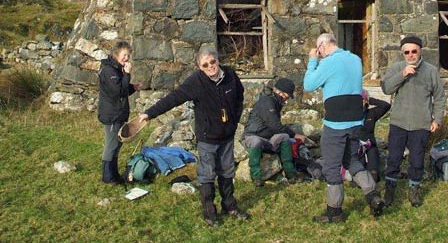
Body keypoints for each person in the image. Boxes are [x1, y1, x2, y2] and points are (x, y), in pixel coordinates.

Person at [138, 46, 249, 227]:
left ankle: (230, 206)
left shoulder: (230, 75)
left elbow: (239, 97)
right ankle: (209, 213)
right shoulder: (195, 82)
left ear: (218, 60)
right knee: (207, 174)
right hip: (207, 138)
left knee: (227, 172)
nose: (211, 67)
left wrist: (234, 120)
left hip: (227, 136)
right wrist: (149, 114)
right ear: (200, 67)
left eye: (213, 62)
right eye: (205, 65)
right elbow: (173, 98)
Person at [304, 33, 384, 223]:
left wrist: (312, 61)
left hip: (336, 123)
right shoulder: (355, 59)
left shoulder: (328, 63)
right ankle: (373, 195)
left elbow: (309, 84)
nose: (319, 53)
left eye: (319, 49)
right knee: (352, 159)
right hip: (356, 121)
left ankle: (334, 213)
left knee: (331, 168)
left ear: (323, 45)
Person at [381, 35, 445, 208]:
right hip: (398, 122)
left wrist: (437, 119)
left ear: (420, 51)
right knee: (393, 158)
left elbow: (439, 97)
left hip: (421, 124)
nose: (410, 55)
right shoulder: (396, 68)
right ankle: (390, 190)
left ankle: (414, 191)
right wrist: (402, 74)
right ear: (403, 54)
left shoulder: (431, 71)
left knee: (416, 161)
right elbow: (386, 88)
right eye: (406, 52)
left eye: (414, 51)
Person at [243, 78, 306, 187]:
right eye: (287, 95)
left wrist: (289, 135)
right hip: (252, 136)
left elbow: (276, 127)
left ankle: (290, 173)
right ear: (280, 92)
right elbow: (275, 125)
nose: (287, 99)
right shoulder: (266, 102)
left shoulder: (276, 102)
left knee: (284, 137)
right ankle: (256, 177)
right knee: (256, 141)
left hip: (268, 138)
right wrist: (295, 135)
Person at [98, 41, 140, 184]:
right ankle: (107, 177)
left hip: (118, 114)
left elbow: (122, 89)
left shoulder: (117, 69)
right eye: (124, 55)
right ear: (116, 54)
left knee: (117, 144)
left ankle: (114, 175)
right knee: (111, 144)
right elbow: (118, 92)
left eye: (128, 55)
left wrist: (132, 87)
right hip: (111, 115)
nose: (126, 58)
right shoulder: (109, 70)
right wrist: (127, 75)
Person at [358, 90, 390, 183]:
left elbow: (386, 106)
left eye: (363, 99)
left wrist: (371, 99)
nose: (361, 102)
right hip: (357, 147)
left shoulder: (371, 113)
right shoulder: (351, 114)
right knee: (359, 172)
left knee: (374, 174)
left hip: (371, 146)